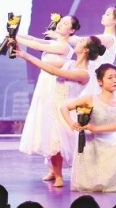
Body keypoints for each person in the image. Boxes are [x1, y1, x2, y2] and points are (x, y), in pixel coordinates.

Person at [57, 6, 116, 172]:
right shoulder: (105, 37)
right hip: (93, 81)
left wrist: (63, 34)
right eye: (104, 13)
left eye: (107, 14)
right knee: (88, 119)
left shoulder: (109, 38)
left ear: (115, 20)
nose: (103, 16)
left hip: (105, 82)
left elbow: (83, 40)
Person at [15, 36, 104, 187]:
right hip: (53, 106)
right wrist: (20, 50)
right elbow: (45, 64)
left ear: (85, 50)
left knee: (69, 144)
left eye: (81, 42)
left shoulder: (84, 73)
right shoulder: (68, 63)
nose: (77, 42)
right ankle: (57, 175)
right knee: (53, 142)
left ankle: (82, 173)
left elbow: (52, 71)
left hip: (68, 109)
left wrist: (25, 55)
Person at [61, 63, 116, 192]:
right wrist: (71, 124)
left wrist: (94, 128)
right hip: (91, 146)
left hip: (110, 144)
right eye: (110, 77)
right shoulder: (90, 99)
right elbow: (64, 107)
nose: (114, 80)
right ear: (100, 81)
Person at [17, 15, 77, 181]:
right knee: (45, 125)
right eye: (61, 22)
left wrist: (15, 38)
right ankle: (52, 169)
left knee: (54, 127)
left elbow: (36, 45)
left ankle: (58, 174)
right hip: (44, 86)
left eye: (65, 23)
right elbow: (34, 39)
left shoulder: (64, 47)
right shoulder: (54, 42)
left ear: (72, 30)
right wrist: (14, 33)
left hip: (55, 87)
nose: (61, 24)